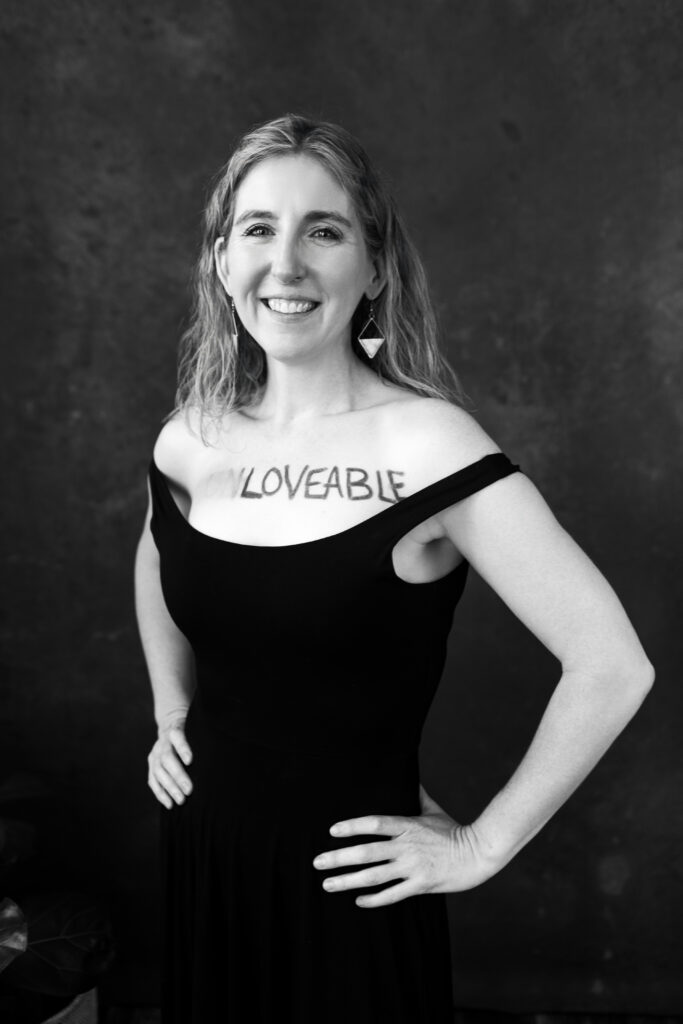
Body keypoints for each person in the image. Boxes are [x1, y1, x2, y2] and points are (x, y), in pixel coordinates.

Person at [134, 113, 654, 1023]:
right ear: (221, 261)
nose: (285, 265)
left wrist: (481, 845)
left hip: (353, 891)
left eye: (322, 232)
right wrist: (170, 709)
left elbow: (612, 666)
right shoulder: (192, 437)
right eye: (258, 230)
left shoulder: (430, 447)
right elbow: (160, 558)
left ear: (374, 266)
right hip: (205, 862)